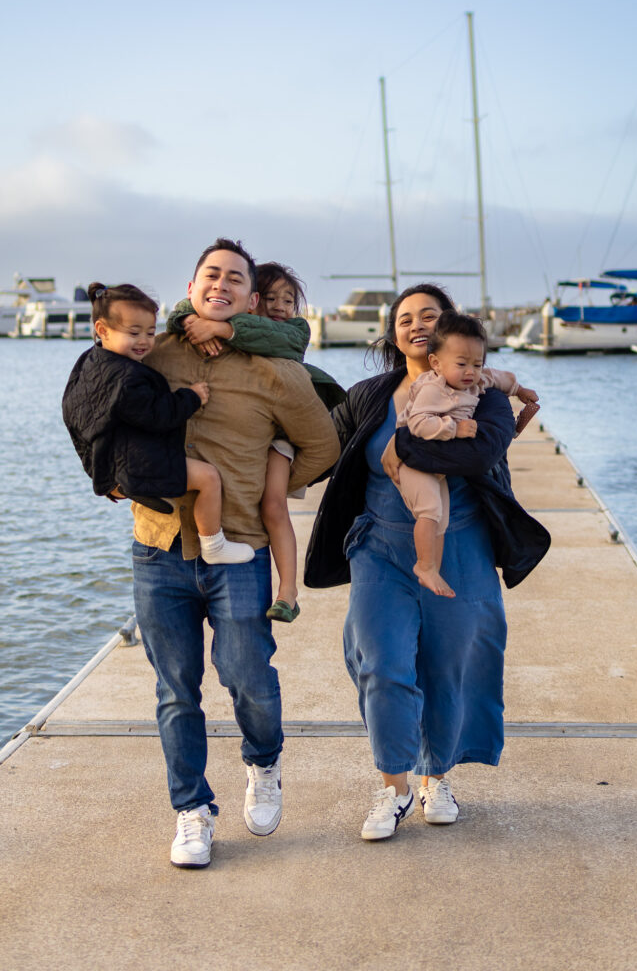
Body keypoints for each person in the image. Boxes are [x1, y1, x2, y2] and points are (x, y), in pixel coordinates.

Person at [304, 284, 550, 841]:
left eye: (429, 316)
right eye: (405, 318)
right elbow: (317, 448)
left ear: (446, 331)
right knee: (381, 660)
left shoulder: (476, 385)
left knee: (449, 664)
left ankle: (436, 776)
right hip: (378, 547)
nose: (416, 324)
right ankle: (393, 786)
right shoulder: (369, 394)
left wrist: (405, 448)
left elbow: (482, 450)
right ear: (395, 333)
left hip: (460, 543)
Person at [131, 238, 340, 868]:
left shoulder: (278, 370)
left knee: (248, 679)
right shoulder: (155, 351)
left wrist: (271, 484)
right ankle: (192, 811)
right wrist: (115, 476)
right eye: (209, 275)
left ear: (251, 299)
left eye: (234, 279)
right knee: (176, 690)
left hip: (241, 550)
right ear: (192, 286)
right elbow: (99, 408)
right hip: (159, 546)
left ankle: (264, 763)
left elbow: (323, 447)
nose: (220, 284)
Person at [165, 262, 346, 623]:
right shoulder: (231, 327)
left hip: (283, 432)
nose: (281, 306)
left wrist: (220, 327)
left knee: (273, 505)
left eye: (289, 299)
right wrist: (194, 320)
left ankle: (289, 592)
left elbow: (268, 337)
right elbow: (185, 310)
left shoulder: (293, 331)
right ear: (254, 301)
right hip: (252, 429)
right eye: (273, 298)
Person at [62, 283, 254, 565]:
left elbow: (74, 413)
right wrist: (191, 397)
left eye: (151, 333)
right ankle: (214, 544)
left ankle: (134, 487)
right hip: (133, 463)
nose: (144, 341)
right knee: (208, 478)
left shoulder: (89, 362)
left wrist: (98, 470)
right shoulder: (128, 378)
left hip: (106, 458)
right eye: (134, 333)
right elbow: (159, 415)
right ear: (102, 330)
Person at [392, 309, 539, 598]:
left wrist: (519, 390)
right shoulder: (434, 389)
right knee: (430, 511)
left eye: (477, 363)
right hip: (412, 464)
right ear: (435, 362)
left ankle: (432, 567)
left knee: (441, 518)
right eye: (461, 364)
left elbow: (499, 377)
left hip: (434, 464)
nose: (471, 372)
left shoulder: (475, 379)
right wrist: (454, 428)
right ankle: (424, 566)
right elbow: (418, 425)